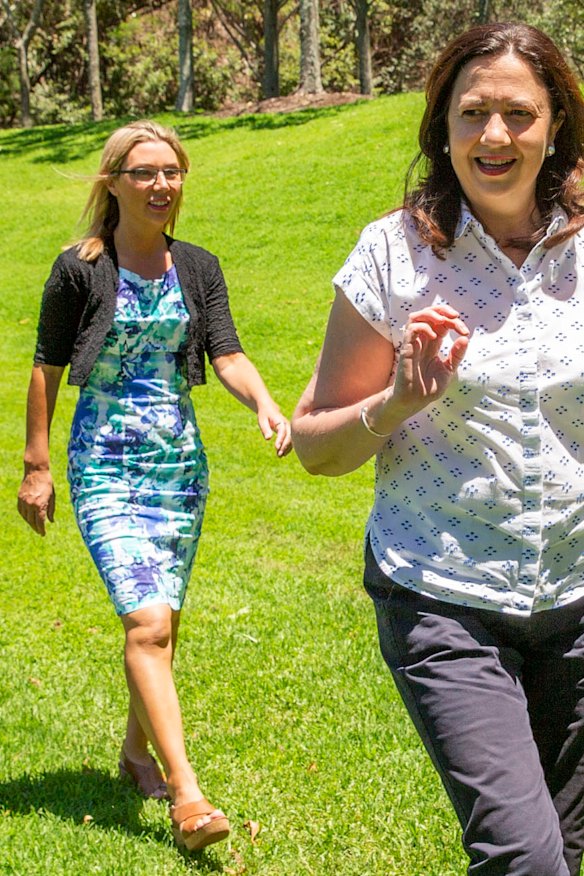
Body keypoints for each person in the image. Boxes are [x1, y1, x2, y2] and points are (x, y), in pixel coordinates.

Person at [292, 22, 584, 876]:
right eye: (472, 113)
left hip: (576, 599)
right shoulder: (395, 254)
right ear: (444, 128)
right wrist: (399, 400)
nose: (494, 136)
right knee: (525, 858)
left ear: (556, 124)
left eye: (518, 114)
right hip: (445, 598)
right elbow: (315, 448)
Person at [17, 120, 292, 853]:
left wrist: (263, 402)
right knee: (147, 624)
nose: (161, 185)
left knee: (161, 620)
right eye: (144, 172)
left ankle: (135, 757)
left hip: (179, 466)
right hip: (105, 463)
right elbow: (45, 366)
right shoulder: (79, 268)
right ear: (113, 182)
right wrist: (35, 467)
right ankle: (189, 799)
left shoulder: (196, 267)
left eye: (171, 171)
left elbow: (226, 352)